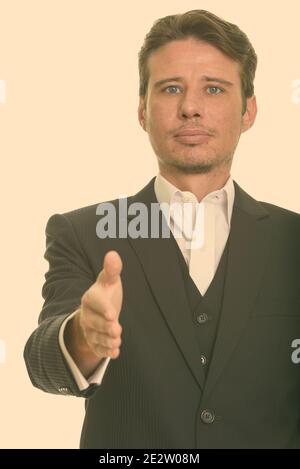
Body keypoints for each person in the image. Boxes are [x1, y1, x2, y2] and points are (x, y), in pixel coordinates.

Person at [24, 10, 300, 449]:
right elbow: (42, 363)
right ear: (142, 110)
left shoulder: (293, 241)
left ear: (248, 110)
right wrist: (83, 334)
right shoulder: (83, 231)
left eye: (213, 88)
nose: (190, 107)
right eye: (171, 89)